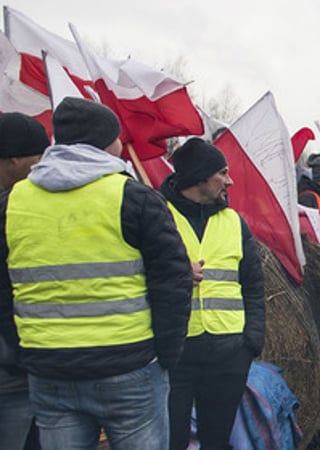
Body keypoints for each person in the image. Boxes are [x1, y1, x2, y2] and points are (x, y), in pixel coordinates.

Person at [0, 97, 192, 449]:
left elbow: (3, 287)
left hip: (49, 368)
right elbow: (174, 280)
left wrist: (26, 349)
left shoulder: (13, 200)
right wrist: (166, 354)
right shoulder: (134, 197)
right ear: (110, 142)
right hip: (128, 364)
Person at [162, 138, 266, 450]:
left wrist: (252, 340)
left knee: (217, 441)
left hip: (229, 352)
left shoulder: (234, 221)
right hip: (176, 353)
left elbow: (254, 284)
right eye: (222, 173)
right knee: (171, 440)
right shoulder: (158, 215)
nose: (229, 180)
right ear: (199, 177)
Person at [0, 112, 48, 450]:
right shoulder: (11, 207)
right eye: (38, 158)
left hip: (26, 364)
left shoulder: (29, 204)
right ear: (14, 158)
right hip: (13, 364)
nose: (44, 166)